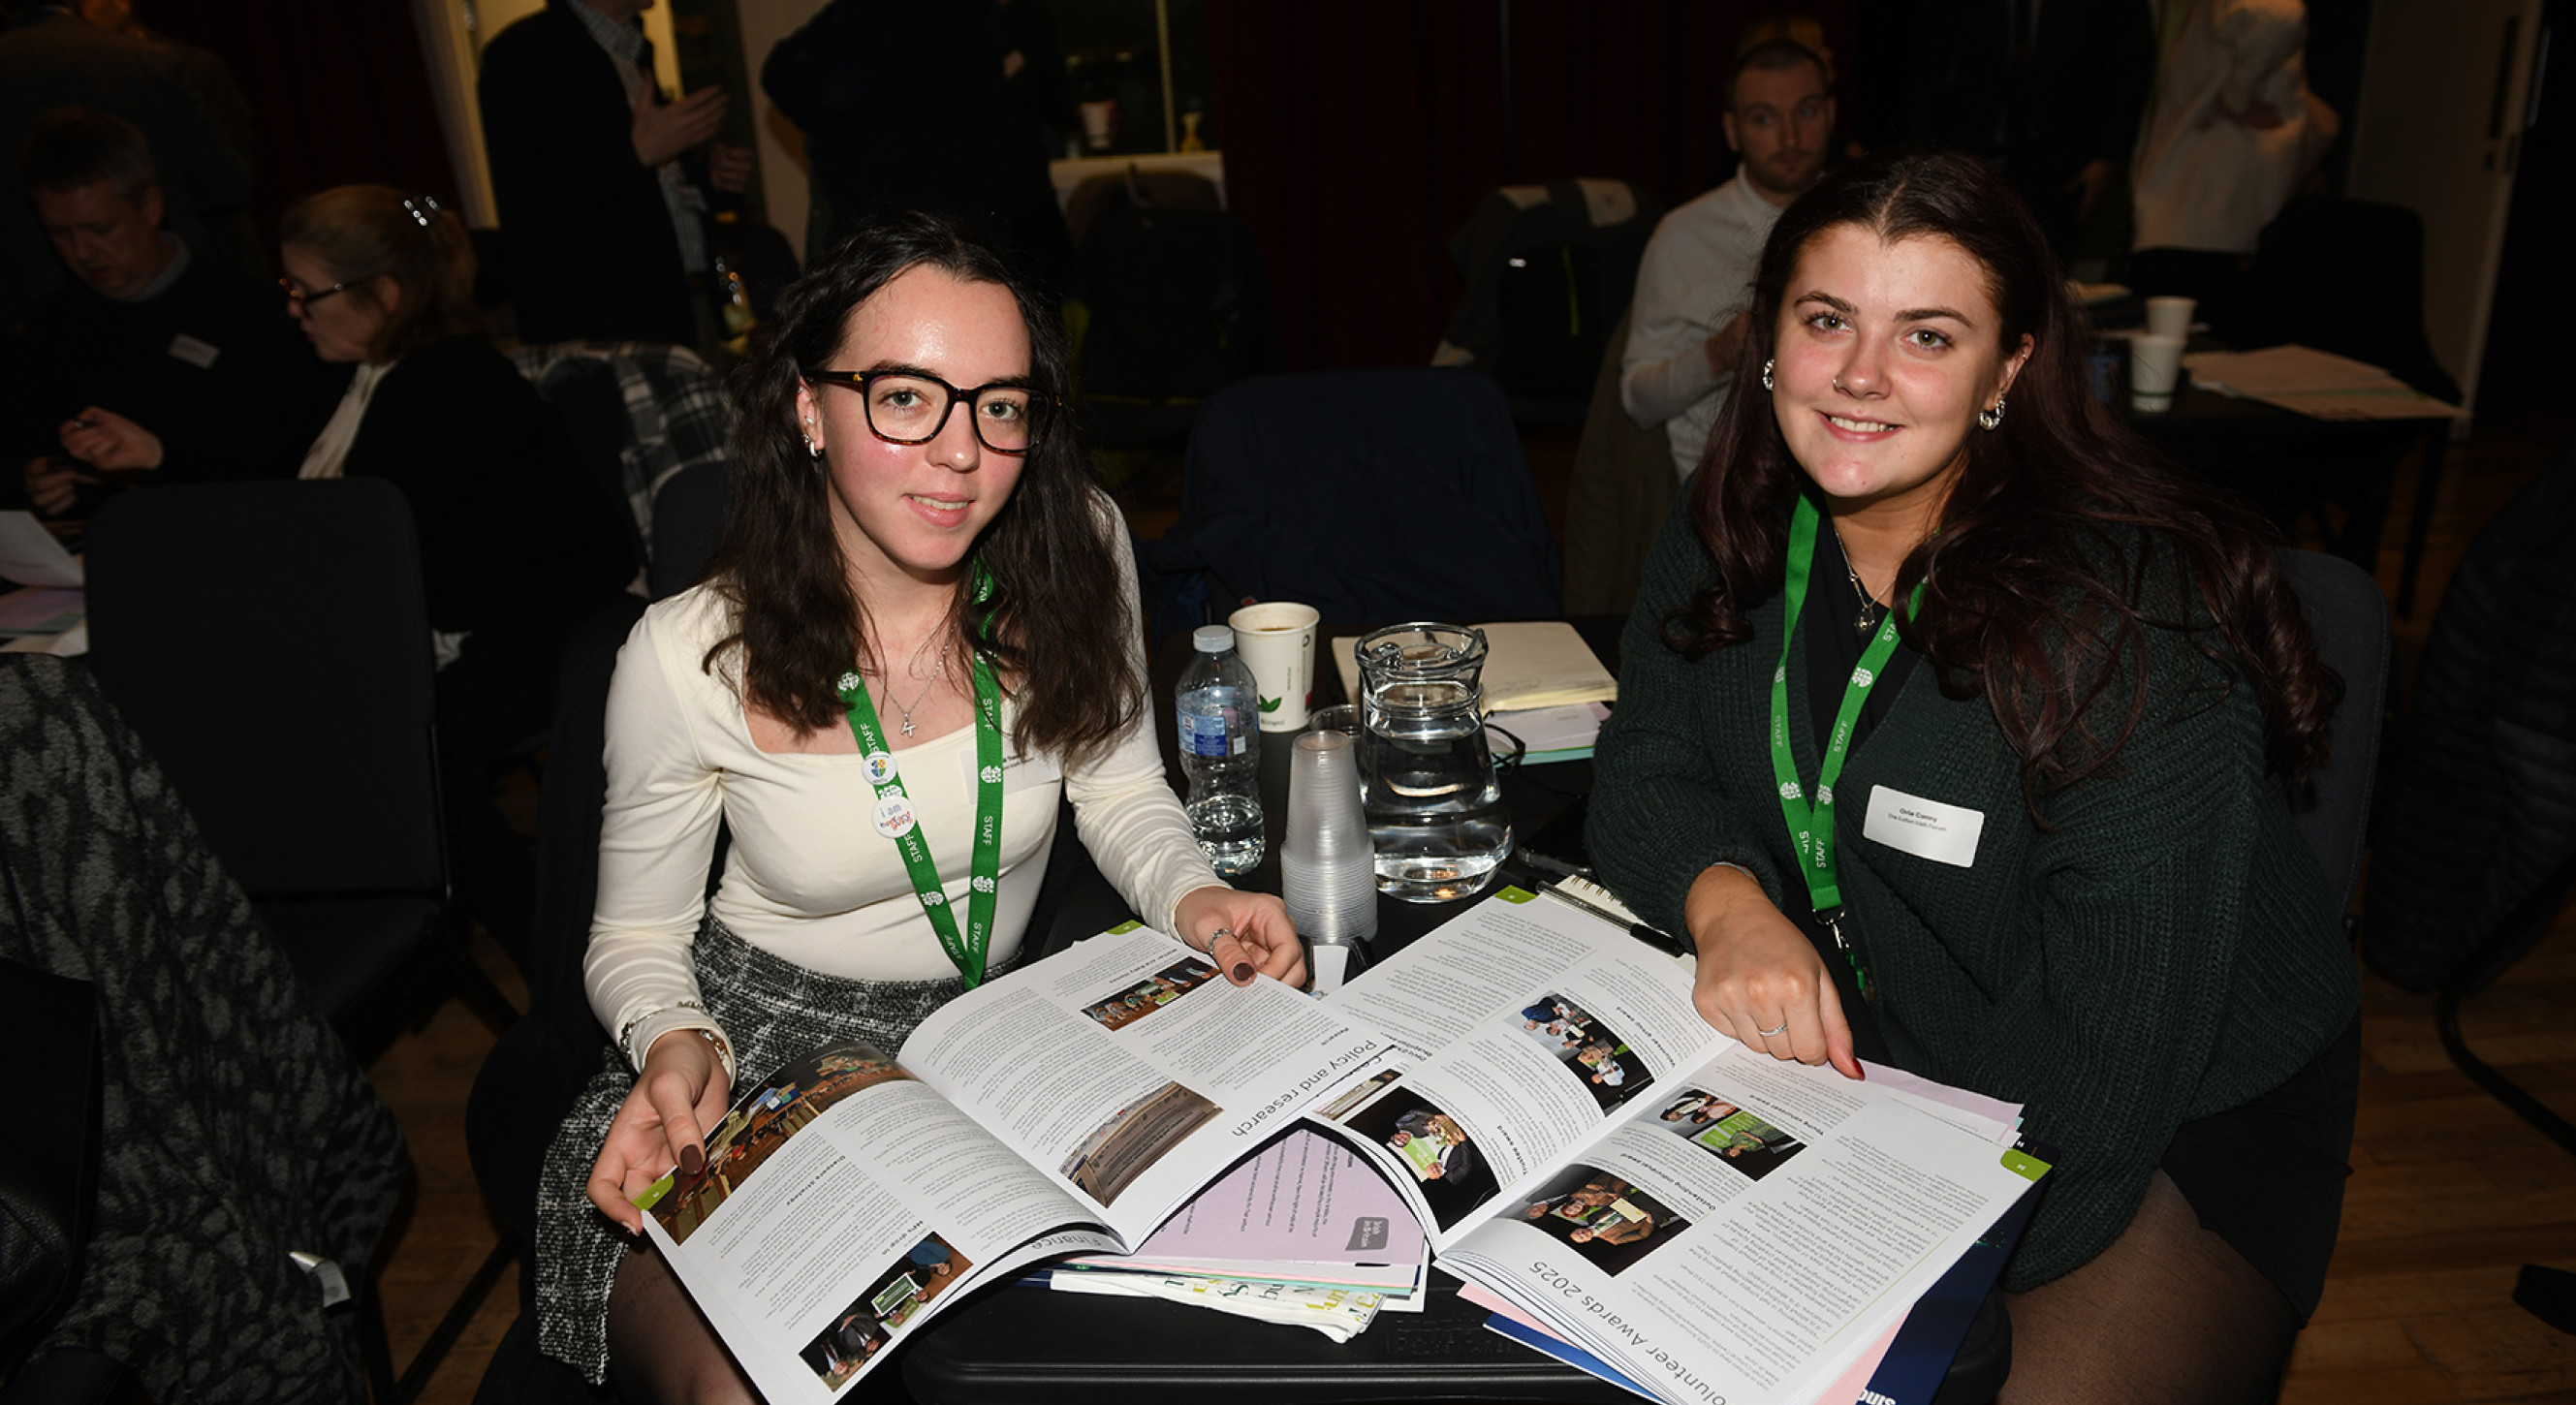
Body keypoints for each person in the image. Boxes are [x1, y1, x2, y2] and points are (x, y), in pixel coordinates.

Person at [1587, 149, 2359, 1401]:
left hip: (2171, 1102)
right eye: (1826, 318)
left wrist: (1896, 1243)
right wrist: (1725, 900)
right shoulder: (1725, 514)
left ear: (2006, 371)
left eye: (1927, 335)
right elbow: (1647, 762)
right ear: (1769, 339)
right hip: (1889, 1028)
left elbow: (2106, 1073)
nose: (1859, 377)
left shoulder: (2117, 625)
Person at [534, 209, 1304, 1397]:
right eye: (906, 397)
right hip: (757, 1049)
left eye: (999, 404)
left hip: (993, 1039)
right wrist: (674, 1040)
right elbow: (635, 935)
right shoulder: (687, 656)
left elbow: (1117, 785)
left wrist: (1197, 895)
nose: (961, 451)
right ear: (810, 408)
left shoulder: (1077, 546)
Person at [65, 183, 638, 965]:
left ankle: (544, 954)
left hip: (554, 630)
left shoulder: (449, 381)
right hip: (447, 623)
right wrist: (160, 458)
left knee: (391, 746)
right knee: (312, 717)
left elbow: (352, 547)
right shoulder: (359, 376)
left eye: (306, 291)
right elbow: (293, 496)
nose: (294, 308)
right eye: (288, 289)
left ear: (385, 294)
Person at [9, 107, 335, 515]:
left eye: (101, 229)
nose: (82, 252)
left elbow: (293, 466)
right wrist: (32, 480)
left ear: (150, 206)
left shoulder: (255, 314)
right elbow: (21, 446)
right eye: (59, 233)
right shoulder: (48, 326)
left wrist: (160, 459)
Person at [477, 0, 754, 349]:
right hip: (607, 336)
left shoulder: (632, 47)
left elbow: (650, 189)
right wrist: (638, 155)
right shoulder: (523, 53)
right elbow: (529, 195)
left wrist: (707, 183)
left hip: (688, 307)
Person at [1620, 35, 1836, 482]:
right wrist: (1720, 354)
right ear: (1732, 131)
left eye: (1807, 112)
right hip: (1724, 496)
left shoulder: (1867, 219)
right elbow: (1638, 401)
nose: (1790, 136)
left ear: (1831, 115)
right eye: (1763, 118)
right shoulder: (1684, 235)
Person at [0, 2, 248, 328]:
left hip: (23, 297)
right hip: (179, 302)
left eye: (101, 227)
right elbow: (223, 184)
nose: (84, 251)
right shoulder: (149, 60)